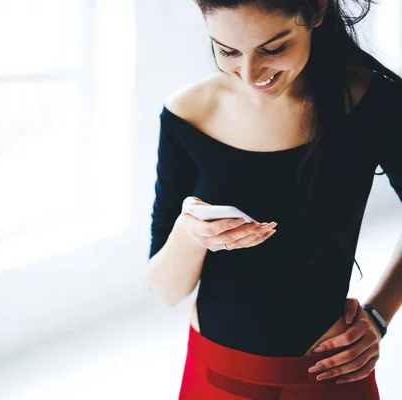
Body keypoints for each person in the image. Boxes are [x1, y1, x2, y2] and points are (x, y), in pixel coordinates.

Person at [147, 0, 402, 398]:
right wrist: (189, 233)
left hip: (328, 374)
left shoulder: (375, 102)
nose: (250, 74)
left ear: (316, 12)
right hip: (217, 375)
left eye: (272, 49)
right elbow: (166, 291)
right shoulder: (187, 115)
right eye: (227, 51)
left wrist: (379, 314)